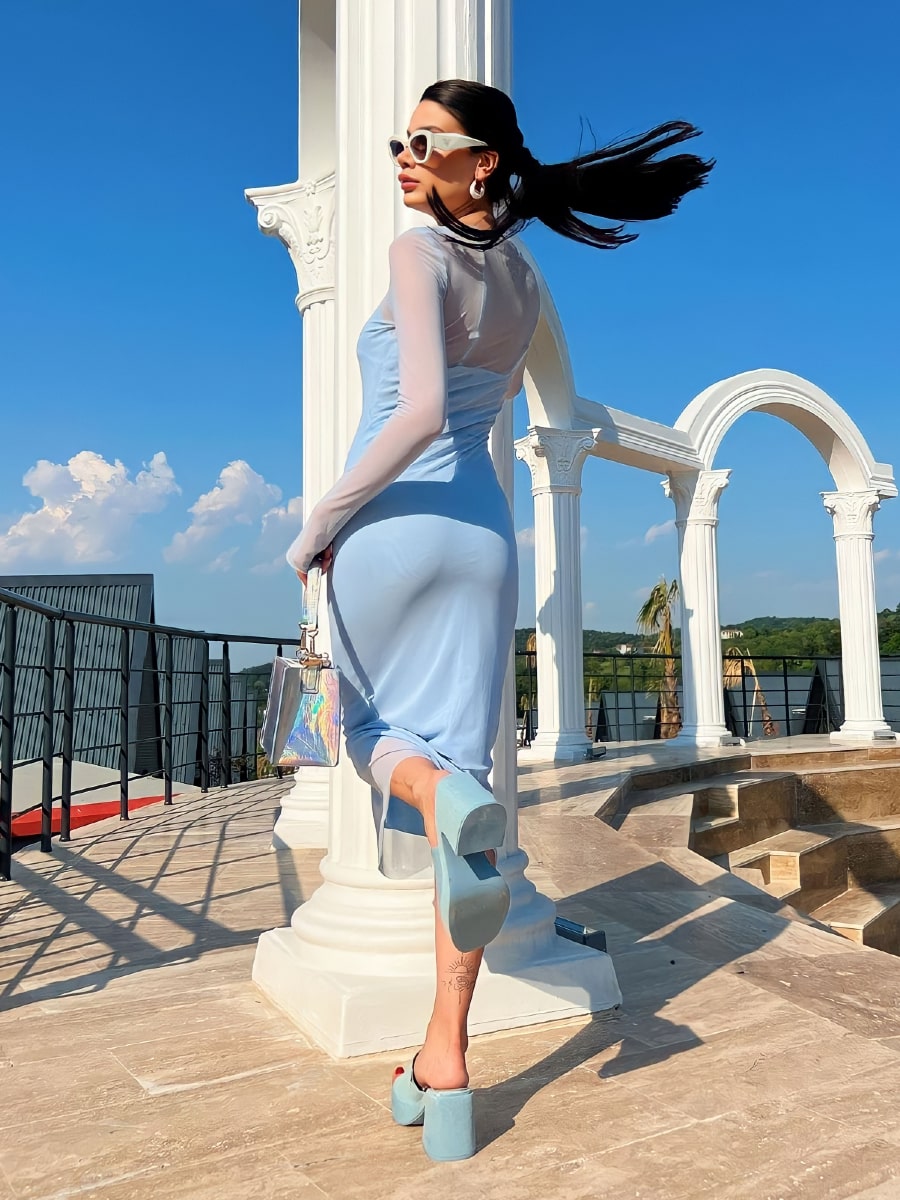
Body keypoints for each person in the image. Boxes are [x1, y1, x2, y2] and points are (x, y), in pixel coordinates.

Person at [286, 78, 713, 1161]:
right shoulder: (523, 276)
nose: (402, 156)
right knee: (463, 790)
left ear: (480, 161)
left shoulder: (417, 252)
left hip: (391, 522)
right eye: (400, 140)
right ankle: (445, 1061)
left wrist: (317, 525)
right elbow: (475, 405)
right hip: (481, 535)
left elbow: (419, 410)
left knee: (364, 733)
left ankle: (442, 800)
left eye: (423, 141)